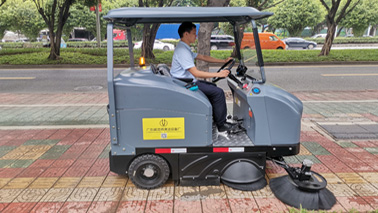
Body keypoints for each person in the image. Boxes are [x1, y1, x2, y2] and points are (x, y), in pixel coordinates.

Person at [170, 22, 234, 132]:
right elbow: (196, 73)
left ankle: (214, 118)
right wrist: (218, 74)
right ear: (186, 34)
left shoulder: (185, 48)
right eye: (194, 33)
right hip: (185, 84)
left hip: (186, 81)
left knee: (212, 86)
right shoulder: (182, 51)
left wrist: (223, 61)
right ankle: (221, 124)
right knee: (218, 92)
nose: (196, 36)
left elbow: (202, 56)